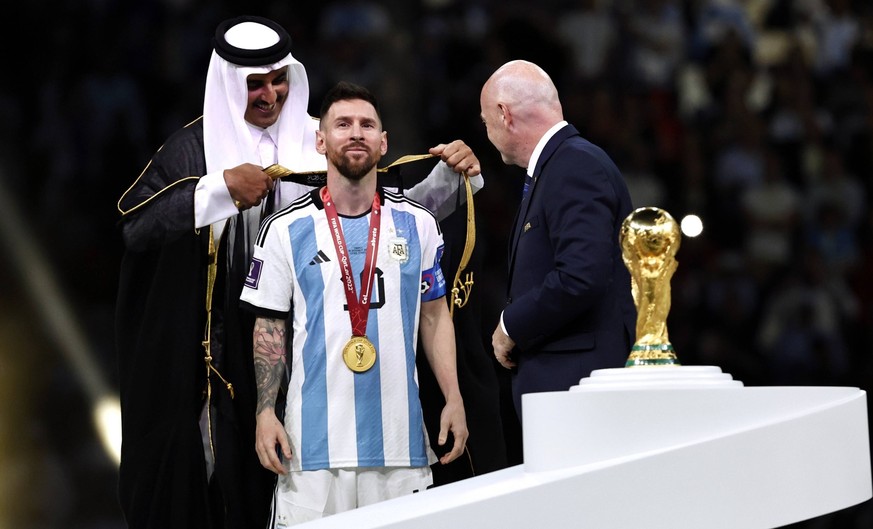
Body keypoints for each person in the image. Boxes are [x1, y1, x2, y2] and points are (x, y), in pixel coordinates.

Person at [115, 16, 481, 529]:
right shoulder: (193, 149)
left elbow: (388, 217)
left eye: (278, 79)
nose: (270, 95)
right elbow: (136, 226)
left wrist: (453, 177)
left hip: (318, 346)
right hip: (222, 352)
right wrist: (218, 190)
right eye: (255, 84)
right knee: (221, 484)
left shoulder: (323, 137)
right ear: (227, 81)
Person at [240, 81, 468, 525]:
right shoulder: (284, 229)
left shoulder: (418, 224)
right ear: (321, 141)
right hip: (310, 452)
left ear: (384, 143)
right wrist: (265, 412)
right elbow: (269, 326)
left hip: (400, 449)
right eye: (343, 124)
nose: (356, 133)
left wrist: (454, 397)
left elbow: (436, 315)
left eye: (367, 124)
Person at [481, 60, 637, 420]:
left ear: (504, 114)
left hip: (579, 386)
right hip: (570, 386)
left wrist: (510, 325)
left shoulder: (573, 165)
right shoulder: (560, 166)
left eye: (486, 119)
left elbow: (582, 275)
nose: (486, 130)